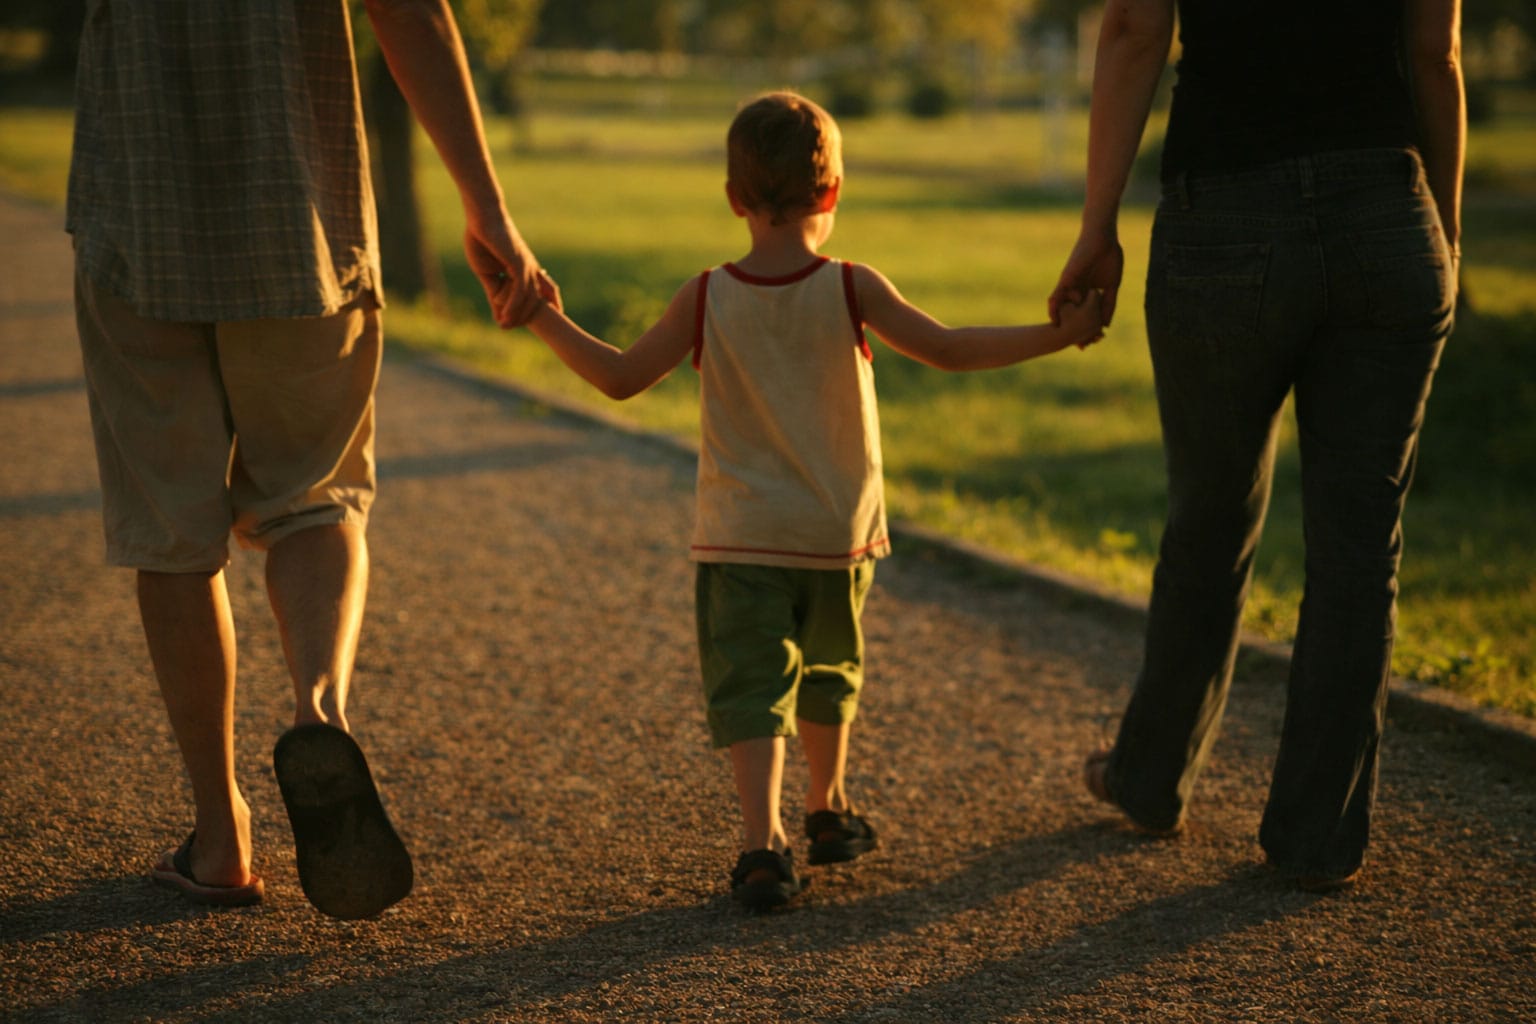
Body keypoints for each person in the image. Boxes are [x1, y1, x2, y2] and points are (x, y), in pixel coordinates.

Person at [523, 90, 1104, 911]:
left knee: (751, 682)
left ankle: (762, 845)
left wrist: (541, 314)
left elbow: (619, 378)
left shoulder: (706, 295)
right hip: (838, 535)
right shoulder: (851, 287)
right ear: (830, 194)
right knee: (832, 667)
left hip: (740, 536)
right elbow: (948, 349)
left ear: (733, 199)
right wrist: (1059, 333)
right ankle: (827, 808)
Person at [67, 0, 549, 918]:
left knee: (171, 533)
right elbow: (407, 11)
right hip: (303, 229)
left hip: (137, 227)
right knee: (315, 496)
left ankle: (220, 839)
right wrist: (488, 209)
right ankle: (318, 712)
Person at [1051, 0, 1463, 892]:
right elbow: (1434, 51)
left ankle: (1151, 777)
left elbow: (1133, 29)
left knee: (1209, 513)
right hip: (1385, 211)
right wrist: (1447, 230)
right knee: (1359, 547)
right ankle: (1316, 839)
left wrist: (1098, 223)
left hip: (1223, 215)